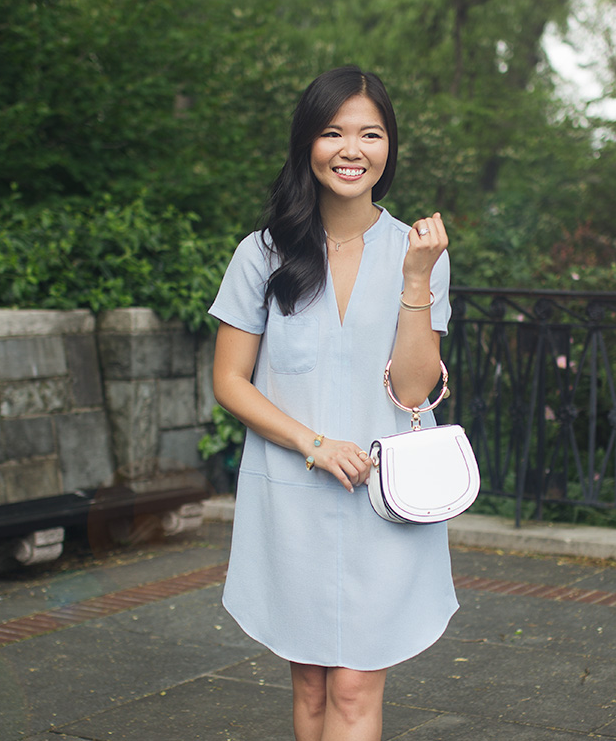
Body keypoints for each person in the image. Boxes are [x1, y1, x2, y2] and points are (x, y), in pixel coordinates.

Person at [208, 65, 458, 741]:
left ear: (389, 147)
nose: (351, 150)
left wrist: (416, 279)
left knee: (352, 688)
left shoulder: (420, 253)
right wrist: (313, 444)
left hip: (385, 499)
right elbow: (230, 380)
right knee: (313, 685)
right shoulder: (262, 254)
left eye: (370, 134)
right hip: (291, 493)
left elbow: (413, 390)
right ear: (307, 144)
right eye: (332, 132)